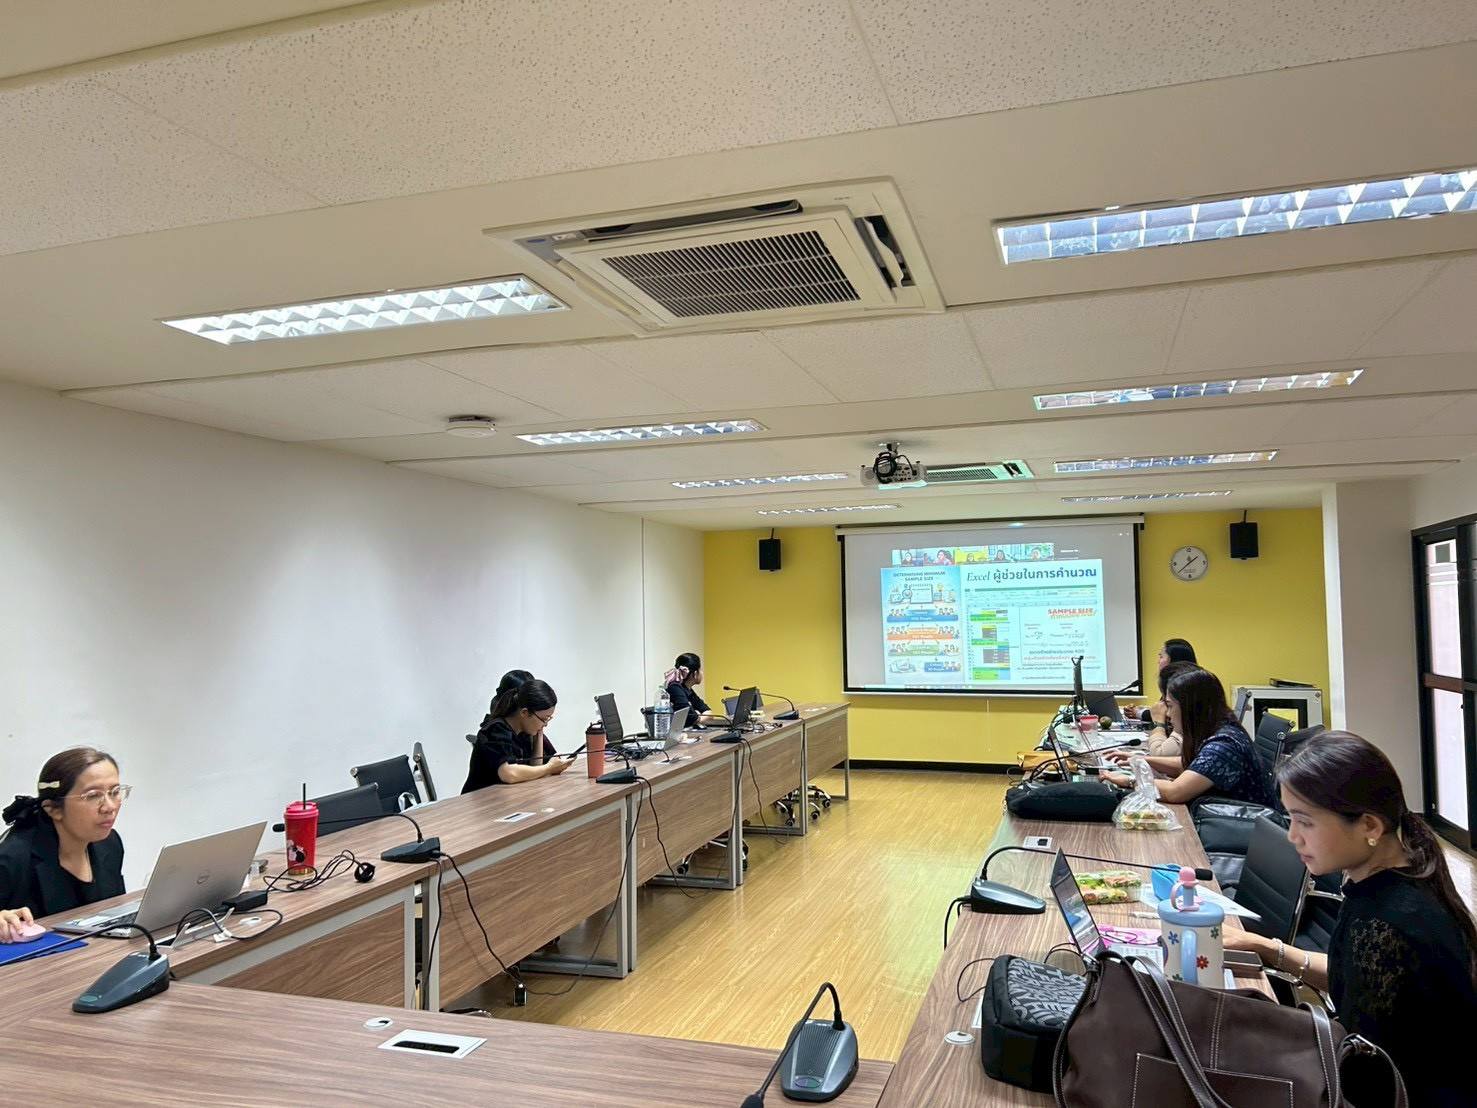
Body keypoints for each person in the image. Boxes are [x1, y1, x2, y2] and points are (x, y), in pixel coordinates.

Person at [1225, 732, 1477, 1107]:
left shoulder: (1387, 924)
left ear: (1370, 826)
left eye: (1304, 822)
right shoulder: (1398, 878)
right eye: (1290, 819)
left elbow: (1363, 1080)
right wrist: (1263, 947)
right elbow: (1352, 974)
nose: (1292, 836)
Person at [0, 748, 128, 940]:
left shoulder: (109, 844)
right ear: (52, 809)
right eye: (93, 795)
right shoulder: (12, 859)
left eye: (115, 792)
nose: (110, 807)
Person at [1104, 666, 1271, 807]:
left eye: (1170, 706)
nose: (1168, 714)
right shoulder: (1218, 728)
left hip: (1243, 828)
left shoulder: (1224, 744)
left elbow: (1175, 792)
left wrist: (1130, 781)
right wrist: (1141, 759)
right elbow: (1191, 765)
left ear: (1190, 707)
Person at [462, 678, 572, 792]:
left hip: (506, 796)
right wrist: (549, 768)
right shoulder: (496, 730)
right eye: (544, 719)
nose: (546, 724)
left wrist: (539, 733)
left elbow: (535, 769)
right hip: (480, 799)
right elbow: (508, 773)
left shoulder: (523, 733)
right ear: (524, 713)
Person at [1142, 660, 1197, 757]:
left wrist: (1158, 723)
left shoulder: (1190, 722)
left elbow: (1159, 754)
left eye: (1169, 704)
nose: (1168, 713)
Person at [664, 653, 717, 723]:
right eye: (700, 670)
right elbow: (691, 719)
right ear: (695, 673)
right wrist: (697, 716)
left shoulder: (687, 689)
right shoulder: (675, 688)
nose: (702, 673)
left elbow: (709, 713)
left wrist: (697, 716)